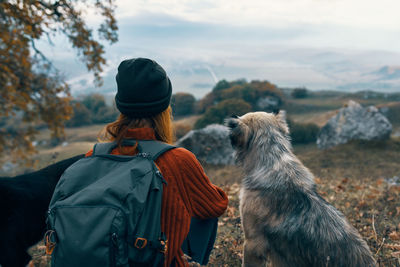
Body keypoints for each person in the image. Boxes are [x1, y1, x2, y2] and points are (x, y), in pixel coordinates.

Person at [85, 58, 228, 266]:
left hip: (103, 257)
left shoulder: (93, 156)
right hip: (154, 259)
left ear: (121, 105)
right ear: (164, 108)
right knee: (205, 216)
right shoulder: (177, 159)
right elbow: (215, 205)